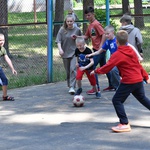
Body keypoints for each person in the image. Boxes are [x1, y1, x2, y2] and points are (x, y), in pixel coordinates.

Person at [91, 30, 150, 132]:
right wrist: (146, 76)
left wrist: (95, 71)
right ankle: (124, 122)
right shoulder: (131, 50)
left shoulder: (117, 54)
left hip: (129, 81)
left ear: (116, 42)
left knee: (117, 100)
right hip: (138, 80)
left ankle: (124, 123)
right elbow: (138, 65)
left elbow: (107, 67)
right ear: (127, 40)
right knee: (143, 99)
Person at [87, 25, 143, 90]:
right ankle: (116, 86)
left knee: (114, 70)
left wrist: (139, 56)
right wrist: (91, 54)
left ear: (113, 32)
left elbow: (131, 46)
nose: (106, 36)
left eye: (108, 34)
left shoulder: (118, 40)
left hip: (122, 60)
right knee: (111, 69)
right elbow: (99, 51)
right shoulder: (107, 42)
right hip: (115, 60)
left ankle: (120, 87)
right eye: (105, 34)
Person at [82, 6, 112, 95]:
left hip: (99, 50)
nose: (87, 17)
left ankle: (96, 88)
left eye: (89, 15)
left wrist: (101, 46)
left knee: (91, 67)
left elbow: (103, 34)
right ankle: (112, 85)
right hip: (95, 49)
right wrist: (77, 37)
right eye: (86, 16)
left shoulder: (96, 24)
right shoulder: (90, 25)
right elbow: (86, 36)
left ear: (93, 14)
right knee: (104, 67)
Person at [56, 15, 82, 95]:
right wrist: (60, 49)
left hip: (74, 52)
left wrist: (77, 37)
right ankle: (69, 85)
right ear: (66, 22)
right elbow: (58, 41)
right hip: (65, 52)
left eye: (71, 21)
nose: (70, 23)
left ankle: (72, 86)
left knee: (73, 69)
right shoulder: (62, 30)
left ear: (73, 21)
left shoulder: (77, 29)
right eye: (68, 21)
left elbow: (81, 39)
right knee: (67, 71)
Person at [0, 33, 17, 101]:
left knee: (5, 80)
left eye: (3, 40)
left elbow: (7, 58)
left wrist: (12, 69)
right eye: (0, 40)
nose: (2, 42)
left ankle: (5, 96)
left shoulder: (3, 49)